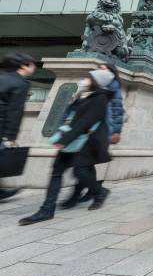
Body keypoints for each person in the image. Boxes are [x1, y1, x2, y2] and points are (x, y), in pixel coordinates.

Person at [19, 69, 114, 225]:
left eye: (88, 78)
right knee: (56, 171)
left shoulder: (101, 98)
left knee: (81, 171)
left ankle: (99, 192)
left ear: (96, 81)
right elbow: (72, 115)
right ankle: (47, 210)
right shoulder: (86, 95)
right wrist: (77, 97)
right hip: (71, 138)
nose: (84, 80)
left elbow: (86, 121)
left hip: (85, 141)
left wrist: (65, 139)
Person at [60, 63, 124, 209]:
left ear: (111, 72)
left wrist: (116, 132)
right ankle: (92, 192)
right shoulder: (90, 84)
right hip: (84, 130)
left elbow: (117, 110)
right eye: (98, 68)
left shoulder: (113, 87)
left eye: (103, 68)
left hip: (99, 130)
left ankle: (90, 193)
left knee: (81, 166)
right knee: (85, 165)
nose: (99, 71)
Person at [0, 53, 36, 201]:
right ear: (24, 66)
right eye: (32, 64)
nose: (34, 67)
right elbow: (15, 111)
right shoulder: (20, 83)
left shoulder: (2, 77)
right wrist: (10, 136)